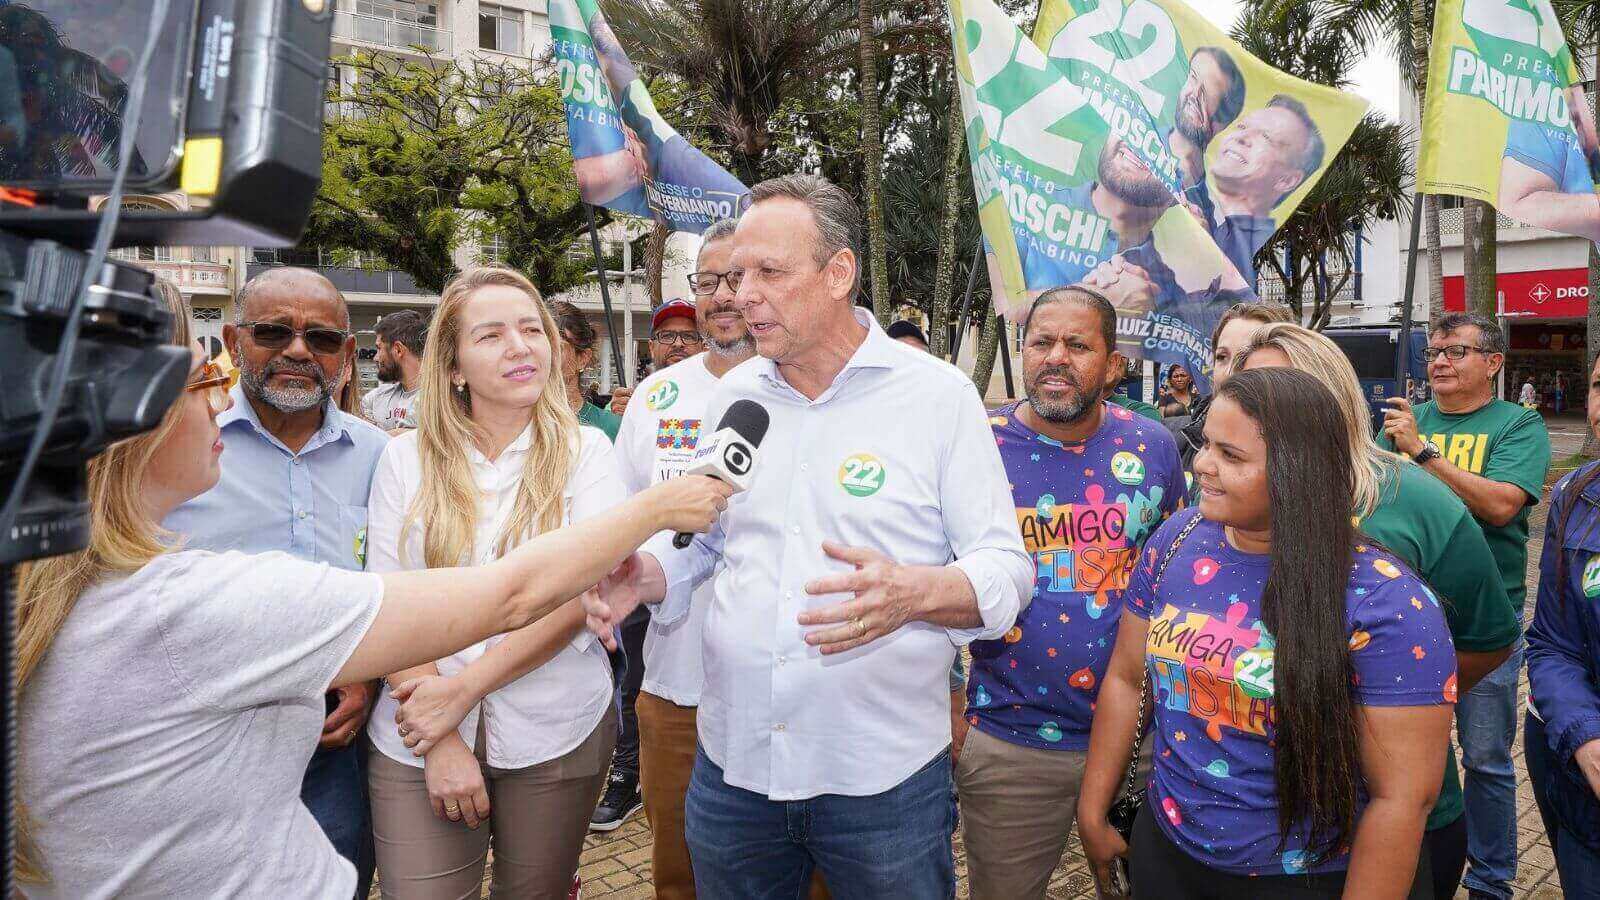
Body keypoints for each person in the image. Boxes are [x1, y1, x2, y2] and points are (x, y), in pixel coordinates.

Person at [13, 283, 732, 899]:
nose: (219, 403)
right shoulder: (195, 602)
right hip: (406, 740)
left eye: (530, 329)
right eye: (205, 383)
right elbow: (513, 595)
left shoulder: (101, 586)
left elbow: (551, 602)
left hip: (532, 734)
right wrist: (660, 507)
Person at [582, 173, 1033, 898]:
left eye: (768, 272)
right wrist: (649, 576)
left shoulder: (937, 397)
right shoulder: (738, 398)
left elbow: (1007, 570)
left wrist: (918, 593)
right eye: (732, 275)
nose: (740, 295)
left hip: (880, 783)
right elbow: (710, 537)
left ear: (838, 273)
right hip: (734, 774)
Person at [1078, 367, 1456, 898]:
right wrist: (1093, 810)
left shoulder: (1388, 602)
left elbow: (1402, 800)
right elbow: (1125, 677)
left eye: (1230, 456)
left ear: (1297, 471)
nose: (1203, 465)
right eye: (1206, 443)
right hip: (1168, 854)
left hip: (1306, 878)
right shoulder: (1175, 541)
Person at [1237, 323, 1522, 899]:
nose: (1266, 408)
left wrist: (1393, 700)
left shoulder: (1413, 497)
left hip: (1397, 810)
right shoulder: (1217, 497)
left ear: (1336, 396)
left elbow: (1488, 637)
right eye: (1249, 389)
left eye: (1289, 387)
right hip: (1245, 812)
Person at [162, 268, 390, 898]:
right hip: (201, 746)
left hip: (330, 749)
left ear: (346, 356)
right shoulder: (181, 450)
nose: (297, 351)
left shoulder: (383, 458)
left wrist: (368, 678)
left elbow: (396, 581)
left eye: (320, 338)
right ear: (236, 342)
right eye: (274, 332)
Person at [607, 217, 815, 898]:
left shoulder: (811, 390)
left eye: (743, 278)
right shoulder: (656, 398)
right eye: (711, 281)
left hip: (794, 692)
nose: (727, 295)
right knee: (680, 875)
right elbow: (620, 525)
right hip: (677, 690)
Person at [959, 285, 1185, 899]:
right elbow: (933, 581)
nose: (1056, 356)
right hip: (1011, 740)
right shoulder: (975, 445)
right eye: (1041, 342)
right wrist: (956, 720)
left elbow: (1176, 577)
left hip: (1140, 744)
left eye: (1078, 345)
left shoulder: (1154, 446)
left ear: (1115, 366)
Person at [1379, 311, 1552, 900]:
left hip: (1485, 624)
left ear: (1494, 362)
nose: (1441, 363)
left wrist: (1423, 455)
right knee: (1397, 759)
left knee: (1484, 760)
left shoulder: (1518, 425)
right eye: (1434, 353)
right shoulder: (1406, 420)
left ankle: (1490, 881)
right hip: (1398, 623)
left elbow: (1502, 505)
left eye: (1456, 351)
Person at [1526, 354, 1600, 897]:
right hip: (1580, 782)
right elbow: (1552, 643)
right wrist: (1585, 736)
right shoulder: (1574, 497)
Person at [1201, 96, 1324, 285]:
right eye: (1242, 127)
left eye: (1266, 137)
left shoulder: (1242, 251)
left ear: (1287, 179)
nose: (1241, 137)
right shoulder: (1210, 220)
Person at [1173, 301, 1293, 470]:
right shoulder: (1176, 442)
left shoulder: (1301, 453)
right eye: (1222, 357)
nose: (1230, 372)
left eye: (1247, 357)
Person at [1168, 47, 1247, 195]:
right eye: (1193, 77)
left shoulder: (1205, 209)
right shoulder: (1132, 133)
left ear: (1223, 122)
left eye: (1208, 93)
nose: (1195, 94)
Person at [608, 298, 705, 418]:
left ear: (703, 346)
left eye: (689, 336)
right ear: (652, 347)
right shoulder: (633, 403)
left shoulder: (722, 397)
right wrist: (614, 421)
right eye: (667, 336)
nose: (678, 343)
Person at [548, 300, 621, 442]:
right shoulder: (512, 424)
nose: (547, 356)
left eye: (557, 347)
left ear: (582, 358)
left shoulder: (609, 427)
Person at [364, 309, 427, 434]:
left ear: (398, 350)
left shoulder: (442, 399)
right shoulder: (374, 398)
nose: (375, 358)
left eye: (379, 348)